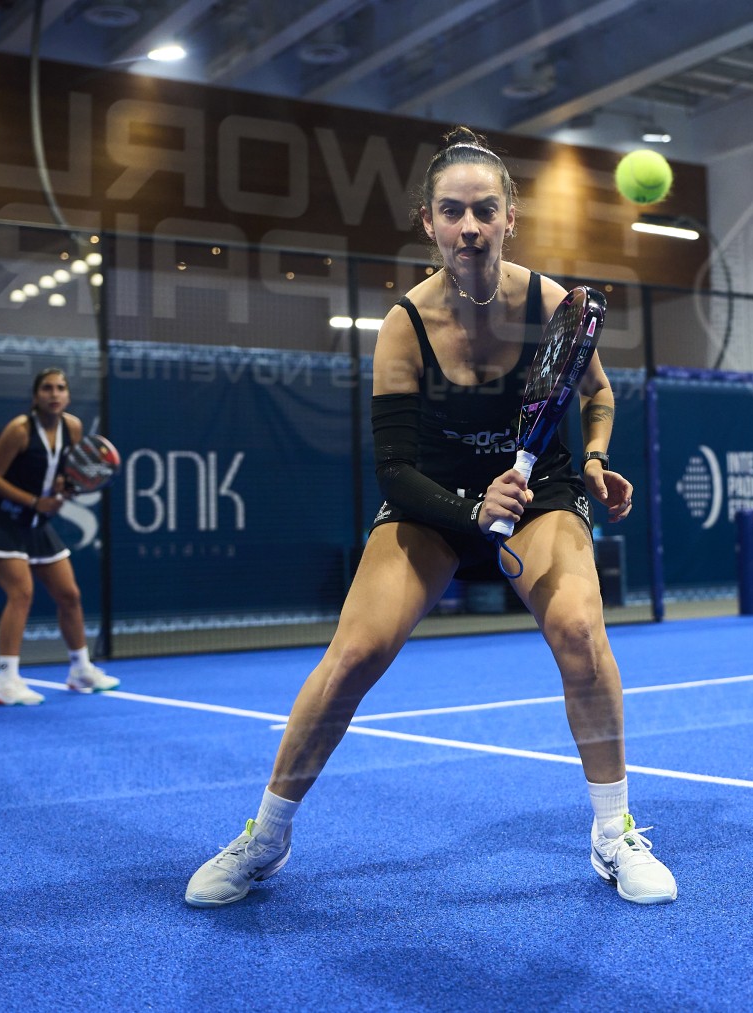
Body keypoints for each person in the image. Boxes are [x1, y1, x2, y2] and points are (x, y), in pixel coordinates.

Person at [185, 127, 676, 907]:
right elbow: (393, 471)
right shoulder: (402, 326)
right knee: (354, 655)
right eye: (453, 212)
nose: (470, 228)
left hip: (540, 490)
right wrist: (470, 509)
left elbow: (599, 394)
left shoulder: (551, 302)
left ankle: (614, 833)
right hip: (434, 496)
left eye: (485, 210)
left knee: (581, 633)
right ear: (429, 222)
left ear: (511, 216)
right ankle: (265, 837)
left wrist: (590, 459)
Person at [0, 367, 119, 705]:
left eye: (60, 388)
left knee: (69, 594)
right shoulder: (19, 430)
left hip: (37, 526)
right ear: (35, 395)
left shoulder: (73, 427)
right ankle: (6, 681)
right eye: (46, 388)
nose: (54, 394)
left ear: (67, 395)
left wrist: (58, 490)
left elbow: (60, 472)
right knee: (21, 593)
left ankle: (80, 669)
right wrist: (36, 501)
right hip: (2, 522)